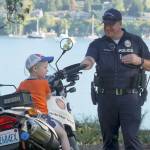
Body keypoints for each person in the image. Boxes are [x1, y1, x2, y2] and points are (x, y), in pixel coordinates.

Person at [81, 8, 150, 150]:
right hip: (106, 98)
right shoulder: (97, 44)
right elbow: (89, 58)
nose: (107, 28)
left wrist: (139, 61)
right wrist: (86, 63)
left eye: (111, 24)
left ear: (120, 24)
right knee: (109, 141)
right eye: (105, 24)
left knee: (131, 139)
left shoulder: (135, 41)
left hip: (130, 98)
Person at [17, 53, 70, 150]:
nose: (47, 70)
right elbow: (49, 96)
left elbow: (17, 96)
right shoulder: (44, 83)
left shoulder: (22, 84)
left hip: (26, 115)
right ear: (35, 69)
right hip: (41, 116)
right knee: (63, 134)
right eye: (45, 67)